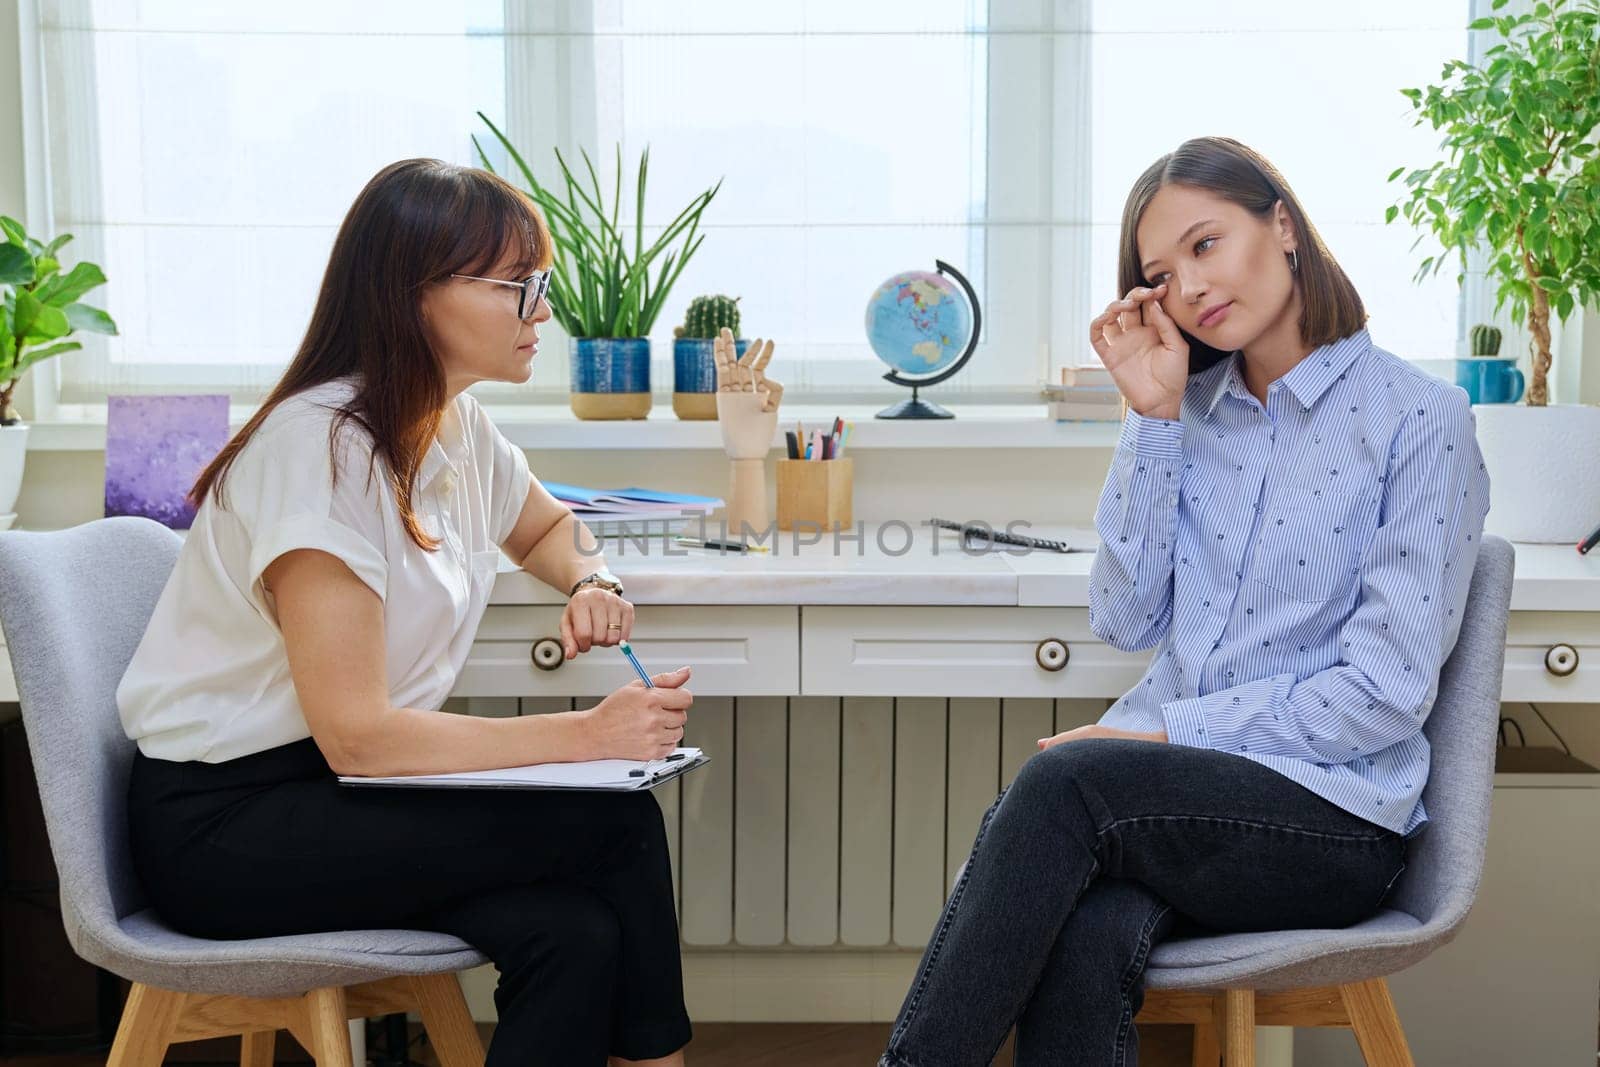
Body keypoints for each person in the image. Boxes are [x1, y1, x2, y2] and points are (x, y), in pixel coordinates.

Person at [880, 136, 1492, 1066]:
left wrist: (1168, 734)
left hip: (1335, 820)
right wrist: (1150, 418)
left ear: (1281, 225)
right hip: (1190, 815)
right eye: (1162, 275)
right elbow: (1124, 617)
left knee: (1067, 782)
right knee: (1091, 925)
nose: (1191, 288)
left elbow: (1384, 692)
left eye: (1206, 244)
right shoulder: (1188, 411)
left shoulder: (1417, 418)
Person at [117, 158, 693, 1067]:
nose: (543, 310)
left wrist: (595, 585)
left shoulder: (450, 425)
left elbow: (551, 526)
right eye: (521, 286)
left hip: (344, 799)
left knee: (574, 931)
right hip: (230, 826)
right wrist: (589, 735)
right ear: (415, 294)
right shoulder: (321, 452)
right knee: (613, 822)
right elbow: (361, 737)